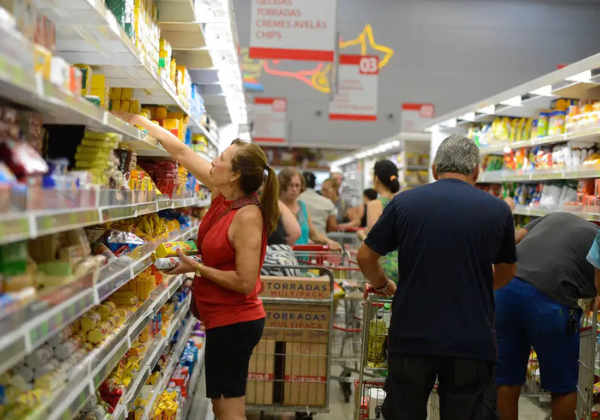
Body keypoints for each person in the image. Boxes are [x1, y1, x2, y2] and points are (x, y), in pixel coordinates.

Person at [113, 111, 278, 420]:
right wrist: (142, 121)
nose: (213, 161)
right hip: (220, 319)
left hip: (235, 322)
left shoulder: (247, 216)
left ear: (234, 175)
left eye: (222, 158)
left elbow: (245, 281)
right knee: (220, 406)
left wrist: (197, 268)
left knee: (230, 412)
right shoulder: (223, 195)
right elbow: (182, 152)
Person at [356, 134, 517, 420]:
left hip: (411, 337)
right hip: (472, 340)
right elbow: (507, 272)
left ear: (434, 169)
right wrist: (478, 285)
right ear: (477, 172)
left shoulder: (404, 203)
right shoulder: (498, 211)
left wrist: (383, 285)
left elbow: (365, 256)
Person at [495, 213, 598, 420]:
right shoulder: (596, 238)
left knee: (505, 381)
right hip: (549, 300)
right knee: (564, 386)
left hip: (504, 291)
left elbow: (512, 239)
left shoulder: (553, 216)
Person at [357, 160, 401, 282]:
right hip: (404, 264)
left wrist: (361, 234)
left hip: (384, 266)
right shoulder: (403, 202)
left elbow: (373, 240)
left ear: (376, 178)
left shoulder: (375, 205)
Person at [278, 167, 341, 250]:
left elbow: (313, 234)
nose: (294, 189)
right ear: (282, 185)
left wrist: (329, 242)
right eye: (290, 185)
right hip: (280, 259)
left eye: (297, 185)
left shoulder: (302, 206)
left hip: (302, 258)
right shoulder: (275, 206)